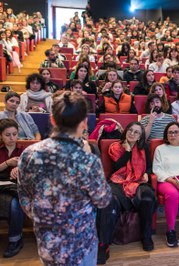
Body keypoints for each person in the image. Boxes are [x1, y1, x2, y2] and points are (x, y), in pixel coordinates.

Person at [18, 91, 112, 265]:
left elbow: (23, 194)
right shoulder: (87, 159)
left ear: (52, 119)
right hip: (80, 245)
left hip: (47, 241)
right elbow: (103, 200)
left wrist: (41, 215)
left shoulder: (29, 153)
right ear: (84, 123)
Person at [96, 122, 157, 263]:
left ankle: (146, 235)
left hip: (137, 181)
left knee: (147, 197)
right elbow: (118, 167)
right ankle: (104, 244)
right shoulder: (115, 147)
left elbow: (148, 167)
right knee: (109, 201)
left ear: (140, 136)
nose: (132, 134)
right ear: (125, 131)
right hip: (118, 180)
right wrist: (128, 151)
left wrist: (148, 173)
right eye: (130, 130)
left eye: (136, 132)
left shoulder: (144, 148)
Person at [0, 119, 25, 257]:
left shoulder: (23, 150)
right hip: (1, 185)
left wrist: (19, 168)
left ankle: (15, 240)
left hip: (14, 187)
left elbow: (31, 171)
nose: (12, 138)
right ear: (1, 136)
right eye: (7, 135)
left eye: (14, 134)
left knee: (16, 204)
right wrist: (6, 163)